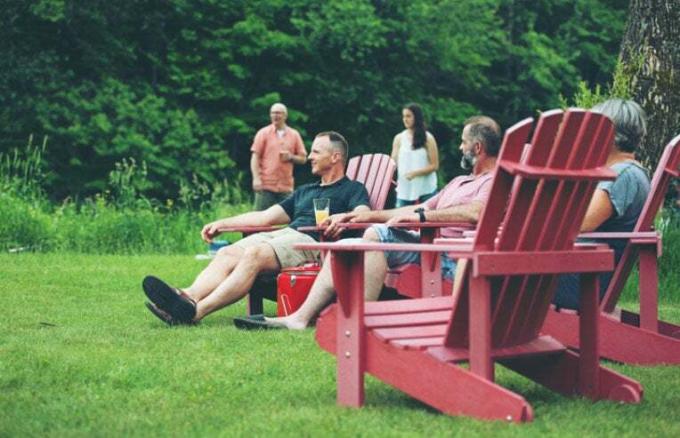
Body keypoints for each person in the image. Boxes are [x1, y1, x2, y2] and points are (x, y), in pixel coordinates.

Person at [234, 116, 502, 330]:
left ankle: (358, 325)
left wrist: (423, 218)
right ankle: (300, 318)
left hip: (450, 259)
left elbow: (478, 212)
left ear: (477, 148)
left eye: (463, 142)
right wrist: (364, 216)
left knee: (374, 237)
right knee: (348, 245)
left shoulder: (493, 182)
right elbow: (418, 207)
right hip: (427, 248)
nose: (460, 147)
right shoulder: (459, 181)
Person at [143, 132, 371, 325]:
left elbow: (363, 214)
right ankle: (188, 297)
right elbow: (265, 217)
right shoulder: (306, 191)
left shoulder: (352, 189)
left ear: (335, 157)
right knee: (227, 252)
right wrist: (223, 224)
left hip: (313, 242)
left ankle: (195, 313)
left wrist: (342, 217)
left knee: (254, 254)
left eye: (316, 152)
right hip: (285, 235)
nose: (309, 157)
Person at [553, 99, 650, 310]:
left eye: (592, 129)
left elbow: (581, 222)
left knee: (482, 270)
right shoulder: (630, 172)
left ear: (609, 135)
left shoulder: (622, 174)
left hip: (584, 281)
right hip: (585, 271)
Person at [251, 103, 308, 211]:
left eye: (278, 113)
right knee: (259, 219)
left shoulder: (294, 134)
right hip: (265, 185)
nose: (275, 115)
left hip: (286, 187)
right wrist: (256, 179)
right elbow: (255, 157)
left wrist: (291, 157)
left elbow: (303, 159)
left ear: (285, 116)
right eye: (272, 113)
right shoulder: (263, 133)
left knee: (290, 217)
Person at [392, 103, 440, 207]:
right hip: (405, 189)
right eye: (404, 116)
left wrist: (415, 173)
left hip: (426, 188)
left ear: (416, 117)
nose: (405, 119)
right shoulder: (399, 138)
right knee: (400, 220)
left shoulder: (428, 138)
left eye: (408, 116)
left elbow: (434, 165)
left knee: (429, 220)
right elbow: (393, 163)